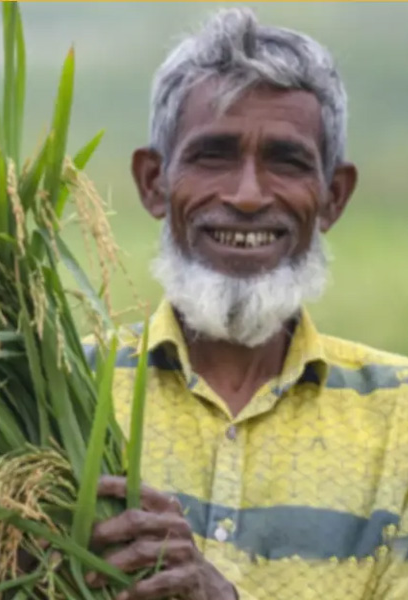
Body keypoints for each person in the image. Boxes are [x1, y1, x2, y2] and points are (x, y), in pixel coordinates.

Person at [80, 7, 408, 600]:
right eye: (214, 156)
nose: (248, 196)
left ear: (333, 197)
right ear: (154, 183)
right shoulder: (69, 385)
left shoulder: (400, 416)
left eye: (286, 161)